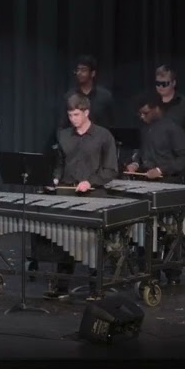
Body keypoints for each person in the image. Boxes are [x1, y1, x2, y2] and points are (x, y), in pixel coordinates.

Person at [44, 94, 118, 299]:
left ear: (86, 112)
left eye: (76, 114)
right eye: (70, 115)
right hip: (67, 195)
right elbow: (59, 164)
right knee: (63, 241)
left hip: (94, 196)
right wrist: (56, 180)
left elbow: (111, 170)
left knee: (92, 244)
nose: (73, 119)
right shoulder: (63, 135)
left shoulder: (104, 136)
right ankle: (61, 287)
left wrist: (90, 182)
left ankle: (96, 288)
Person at [125, 96, 185, 182]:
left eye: (145, 113)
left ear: (156, 109)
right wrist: (135, 164)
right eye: (140, 114)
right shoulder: (145, 129)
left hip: (168, 181)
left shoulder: (173, 128)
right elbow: (142, 153)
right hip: (147, 179)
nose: (142, 117)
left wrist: (160, 170)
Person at [153, 64, 185, 173]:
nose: (160, 87)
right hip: (156, 163)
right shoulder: (152, 105)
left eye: (164, 84)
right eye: (158, 83)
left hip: (178, 163)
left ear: (173, 83)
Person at [58, 56, 116, 129]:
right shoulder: (69, 96)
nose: (79, 73)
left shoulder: (105, 96)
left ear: (93, 73)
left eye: (83, 70)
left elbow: (110, 125)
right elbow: (62, 124)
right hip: (75, 139)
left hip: (99, 139)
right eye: (77, 70)